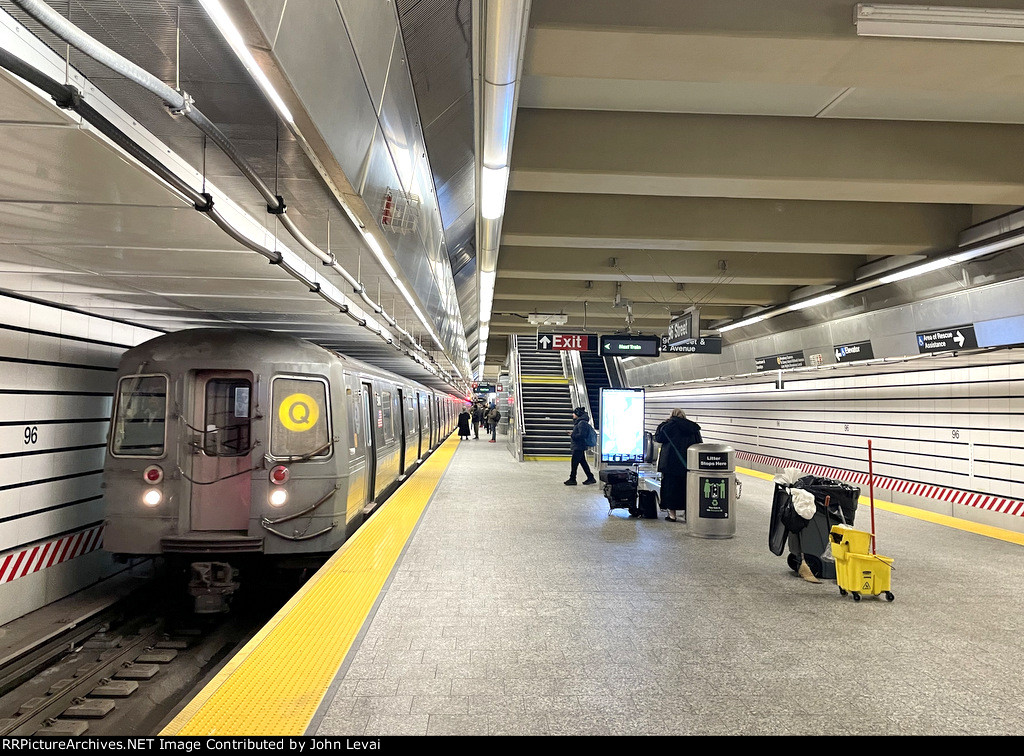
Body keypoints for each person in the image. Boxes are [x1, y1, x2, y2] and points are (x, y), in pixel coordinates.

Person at [653, 408, 703, 522]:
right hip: (688, 463)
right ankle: (688, 514)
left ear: (672, 415)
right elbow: (699, 443)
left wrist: (664, 423)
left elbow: (658, 438)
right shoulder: (693, 427)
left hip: (670, 464)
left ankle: (672, 515)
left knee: (671, 489)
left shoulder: (667, 426)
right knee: (687, 488)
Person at [564, 406, 597, 485]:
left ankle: (573, 479)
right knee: (583, 462)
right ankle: (590, 477)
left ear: (578, 414)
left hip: (579, 446)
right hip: (579, 446)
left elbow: (582, 435)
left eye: (574, 413)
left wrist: (573, 435)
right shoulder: (580, 422)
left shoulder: (582, 423)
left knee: (574, 463)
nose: (573, 415)